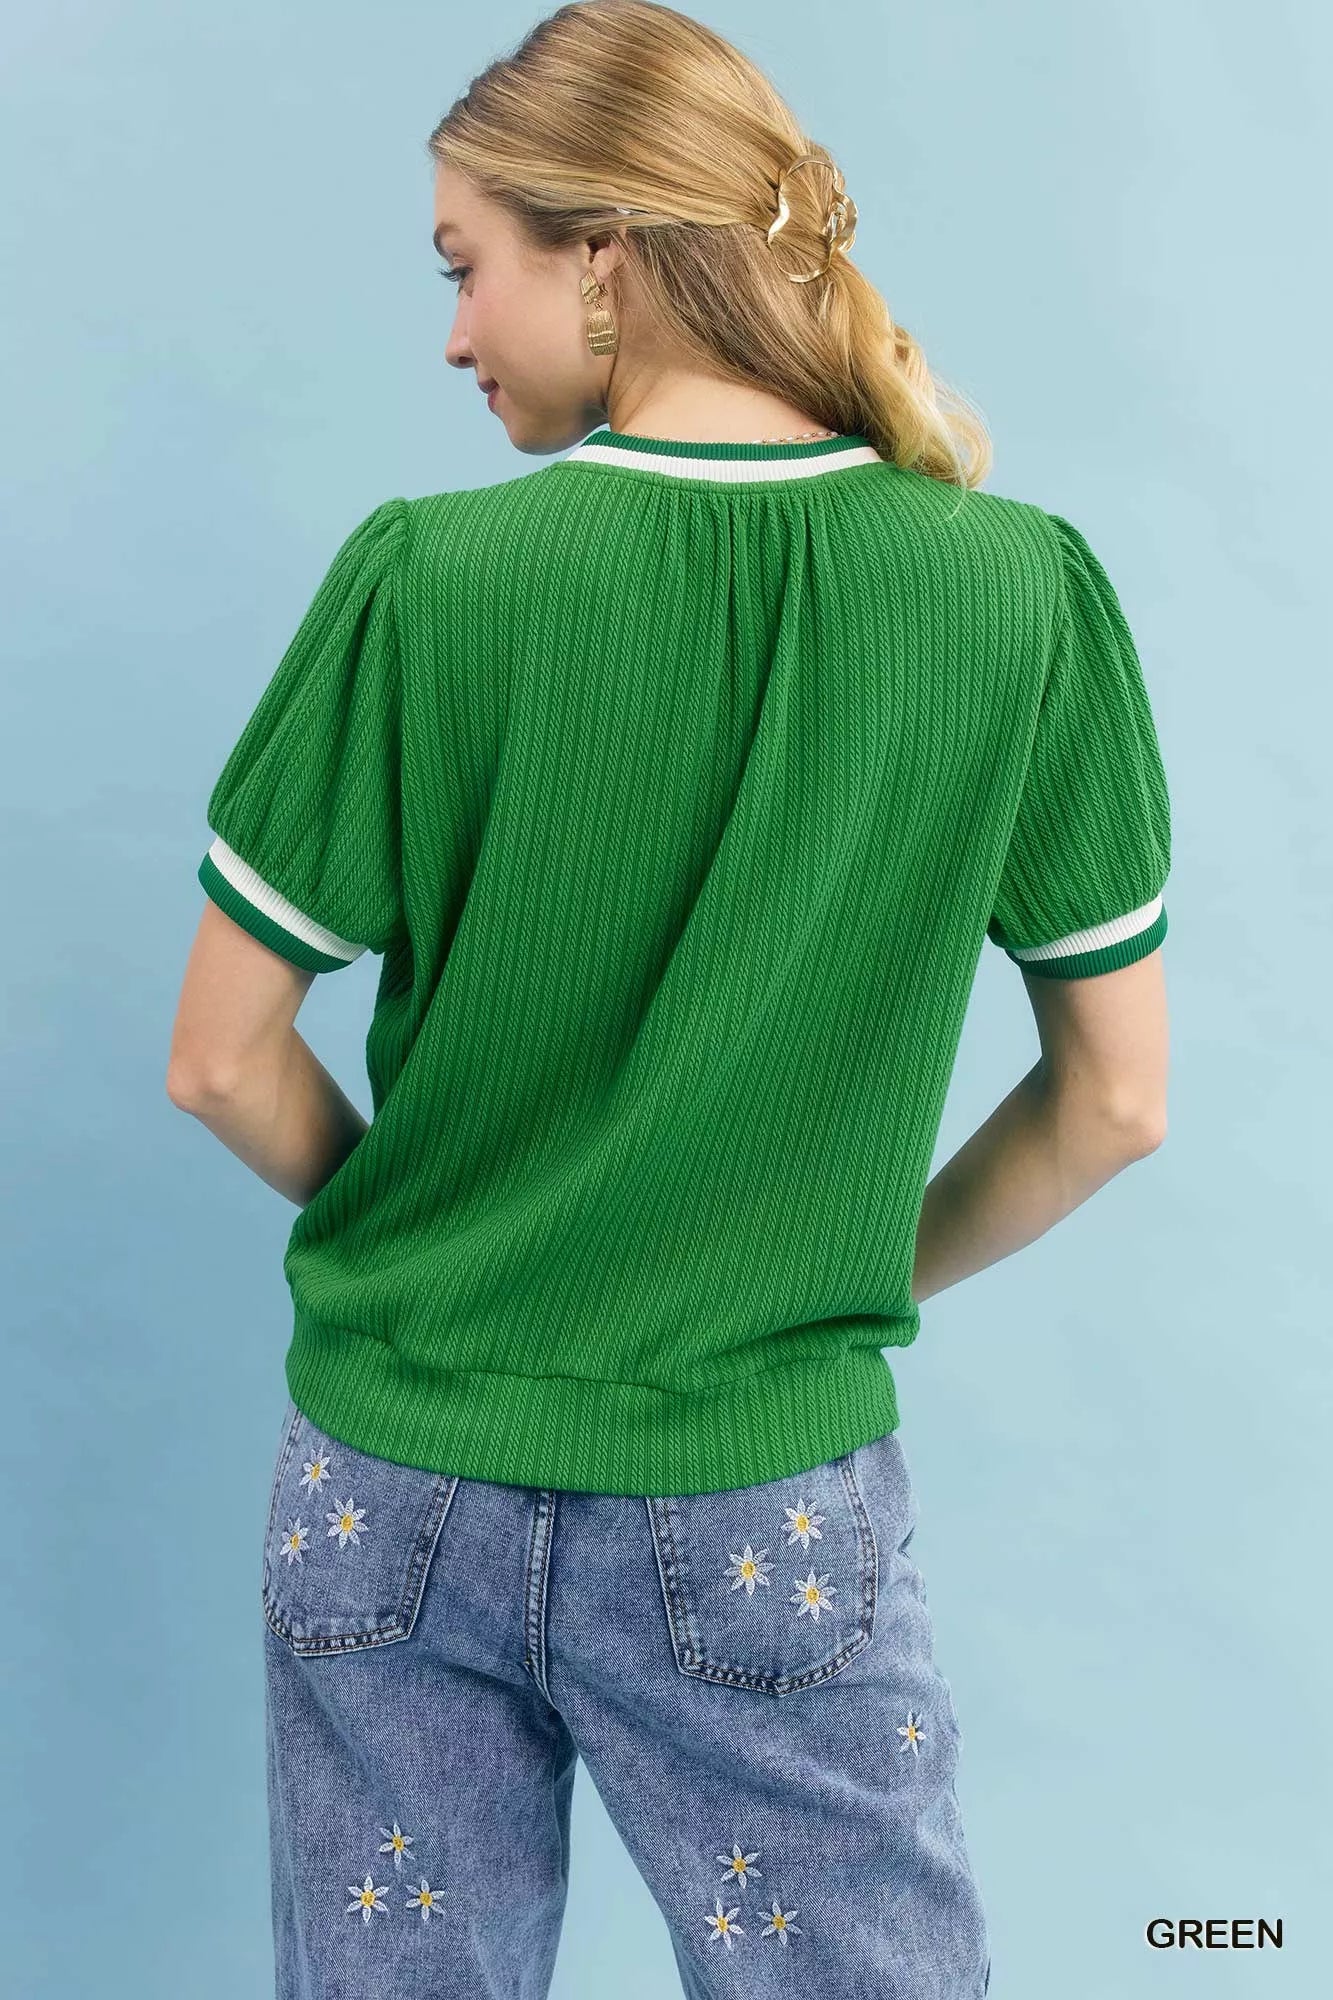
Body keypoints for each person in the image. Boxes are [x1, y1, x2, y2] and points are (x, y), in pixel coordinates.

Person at [167, 4, 1171, 1995]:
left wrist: (461, 1248)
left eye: (467, 268)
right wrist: (810, 1274)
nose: (454, 335)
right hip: (758, 1495)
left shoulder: (426, 580)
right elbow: (1118, 1102)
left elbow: (217, 1060)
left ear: (606, 256)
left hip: (388, 1483)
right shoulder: (1020, 592)